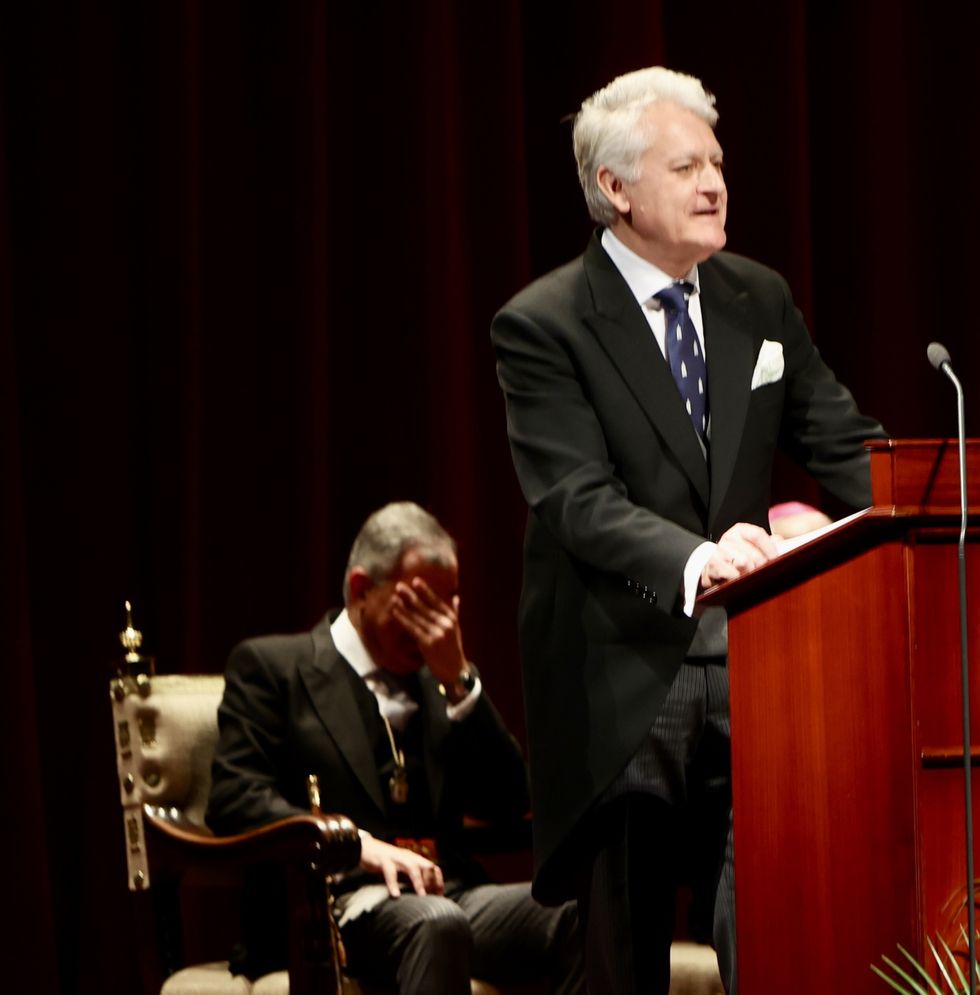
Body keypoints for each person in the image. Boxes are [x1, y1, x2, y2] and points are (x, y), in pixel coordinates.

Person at [490, 66, 885, 994]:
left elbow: (843, 443)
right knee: (626, 951)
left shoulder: (757, 297)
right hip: (621, 662)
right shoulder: (545, 323)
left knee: (780, 917)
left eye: (716, 161)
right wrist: (699, 559)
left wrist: (951, 500)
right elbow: (574, 497)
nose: (714, 183)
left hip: (758, 658)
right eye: (685, 167)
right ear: (615, 190)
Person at [206, 501, 583, 995]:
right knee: (437, 920)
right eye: (421, 602)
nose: (440, 623)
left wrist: (459, 683)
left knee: (581, 915)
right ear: (362, 589)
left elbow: (510, 800)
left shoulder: (437, 680)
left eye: (449, 602)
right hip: (333, 905)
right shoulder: (276, 667)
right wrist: (356, 844)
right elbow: (234, 798)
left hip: (445, 890)